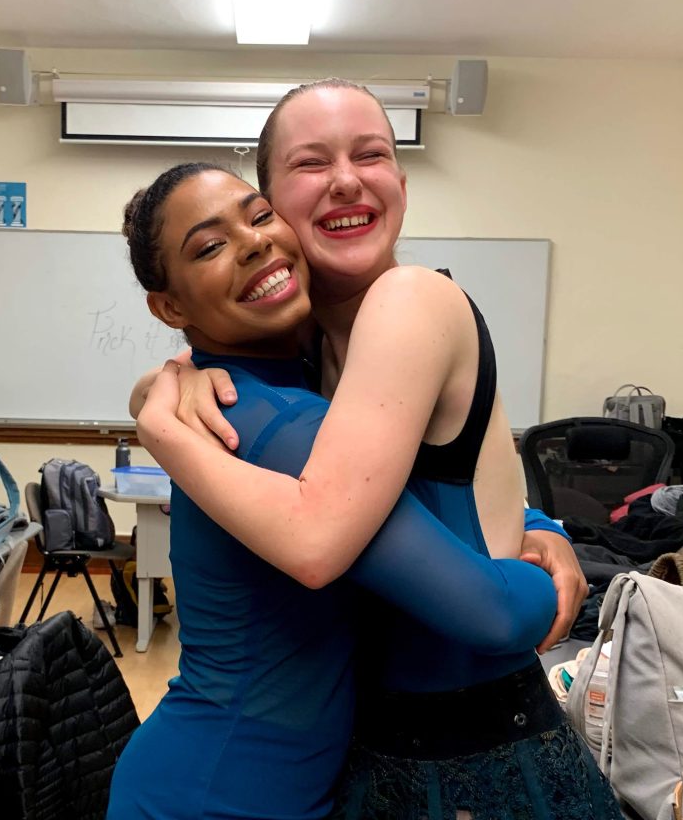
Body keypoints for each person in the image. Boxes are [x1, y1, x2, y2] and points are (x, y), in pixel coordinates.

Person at [130, 81, 618, 820]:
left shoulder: (402, 303)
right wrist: (162, 414)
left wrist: (537, 530)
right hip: (317, 766)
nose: (347, 179)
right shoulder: (304, 369)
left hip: (439, 751)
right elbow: (332, 533)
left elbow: (420, 498)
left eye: (372, 154)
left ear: (402, 181)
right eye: (310, 164)